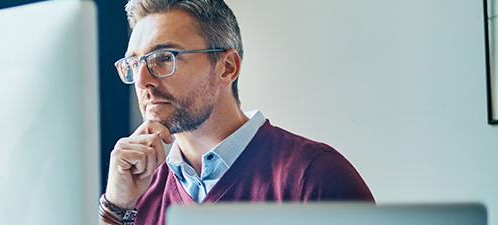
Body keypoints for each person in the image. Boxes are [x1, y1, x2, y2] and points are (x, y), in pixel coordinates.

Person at [98, 1, 375, 225]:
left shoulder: (315, 176)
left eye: (164, 58)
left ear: (227, 67)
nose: (142, 80)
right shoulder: (139, 189)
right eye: (134, 64)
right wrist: (116, 209)